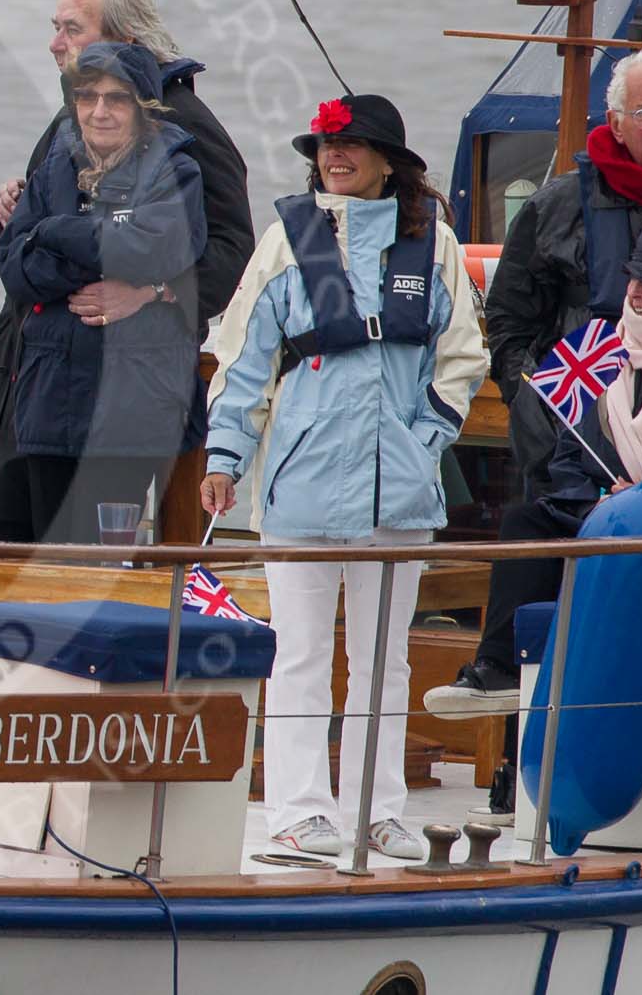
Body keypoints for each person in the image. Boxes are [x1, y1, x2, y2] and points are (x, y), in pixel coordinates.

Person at [201, 94, 488, 860]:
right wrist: (225, 458)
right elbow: (242, 359)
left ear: (389, 161)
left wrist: (421, 440)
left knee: (384, 661)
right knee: (296, 653)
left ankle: (377, 807)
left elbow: (463, 359)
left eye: (353, 142)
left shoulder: (435, 248)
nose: (336, 153)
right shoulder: (285, 243)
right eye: (327, 141)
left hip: (399, 493)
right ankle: (298, 811)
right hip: (300, 488)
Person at [0, 0, 253, 542]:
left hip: (114, 380)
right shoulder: (76, 116)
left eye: (72, 28)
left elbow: (229, 248)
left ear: (127, 41)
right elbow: (19, 246)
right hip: (29, 367)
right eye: (55, 28)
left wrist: (150, 290)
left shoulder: (179, 126)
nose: (54, 42)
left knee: (74, 559)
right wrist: (12, 215)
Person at [427, 220, 642, 717]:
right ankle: (501, 671)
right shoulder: (600, 347)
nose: (635, 292)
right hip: (604, 520)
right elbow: (568, 462)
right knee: (526, 522)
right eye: (634, 276)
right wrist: (600, 501)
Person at [489, 47, 642, 498]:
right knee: (543, 557)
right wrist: (530, 405)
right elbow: (510, 319)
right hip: (572, 431)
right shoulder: (554, 208)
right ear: (615, 123)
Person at [0, 41, 207, 545]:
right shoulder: (55, 166)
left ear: (143, 107)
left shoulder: (176, 168)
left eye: (117, 99)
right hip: (50, 400)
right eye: (87, 98)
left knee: (107, 566)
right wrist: (97, 246)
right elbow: (15, 266)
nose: (100, 111)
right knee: (51, 562)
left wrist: (55, 231)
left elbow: (156, 251)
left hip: (130, 408)